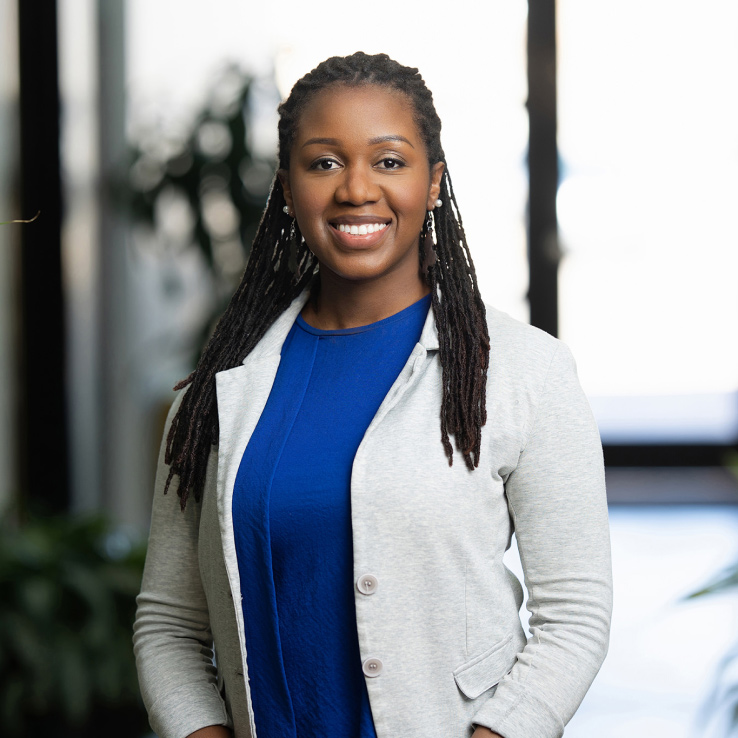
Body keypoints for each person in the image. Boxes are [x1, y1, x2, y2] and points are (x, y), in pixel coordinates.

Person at [133, 52, 612, 738]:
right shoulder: (219, 393)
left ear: (434, 182)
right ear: (287, 188)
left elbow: (575, 613)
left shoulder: (524, 372)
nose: (357, 189)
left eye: (389, 161)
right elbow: (169, 622)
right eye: (324, 162)